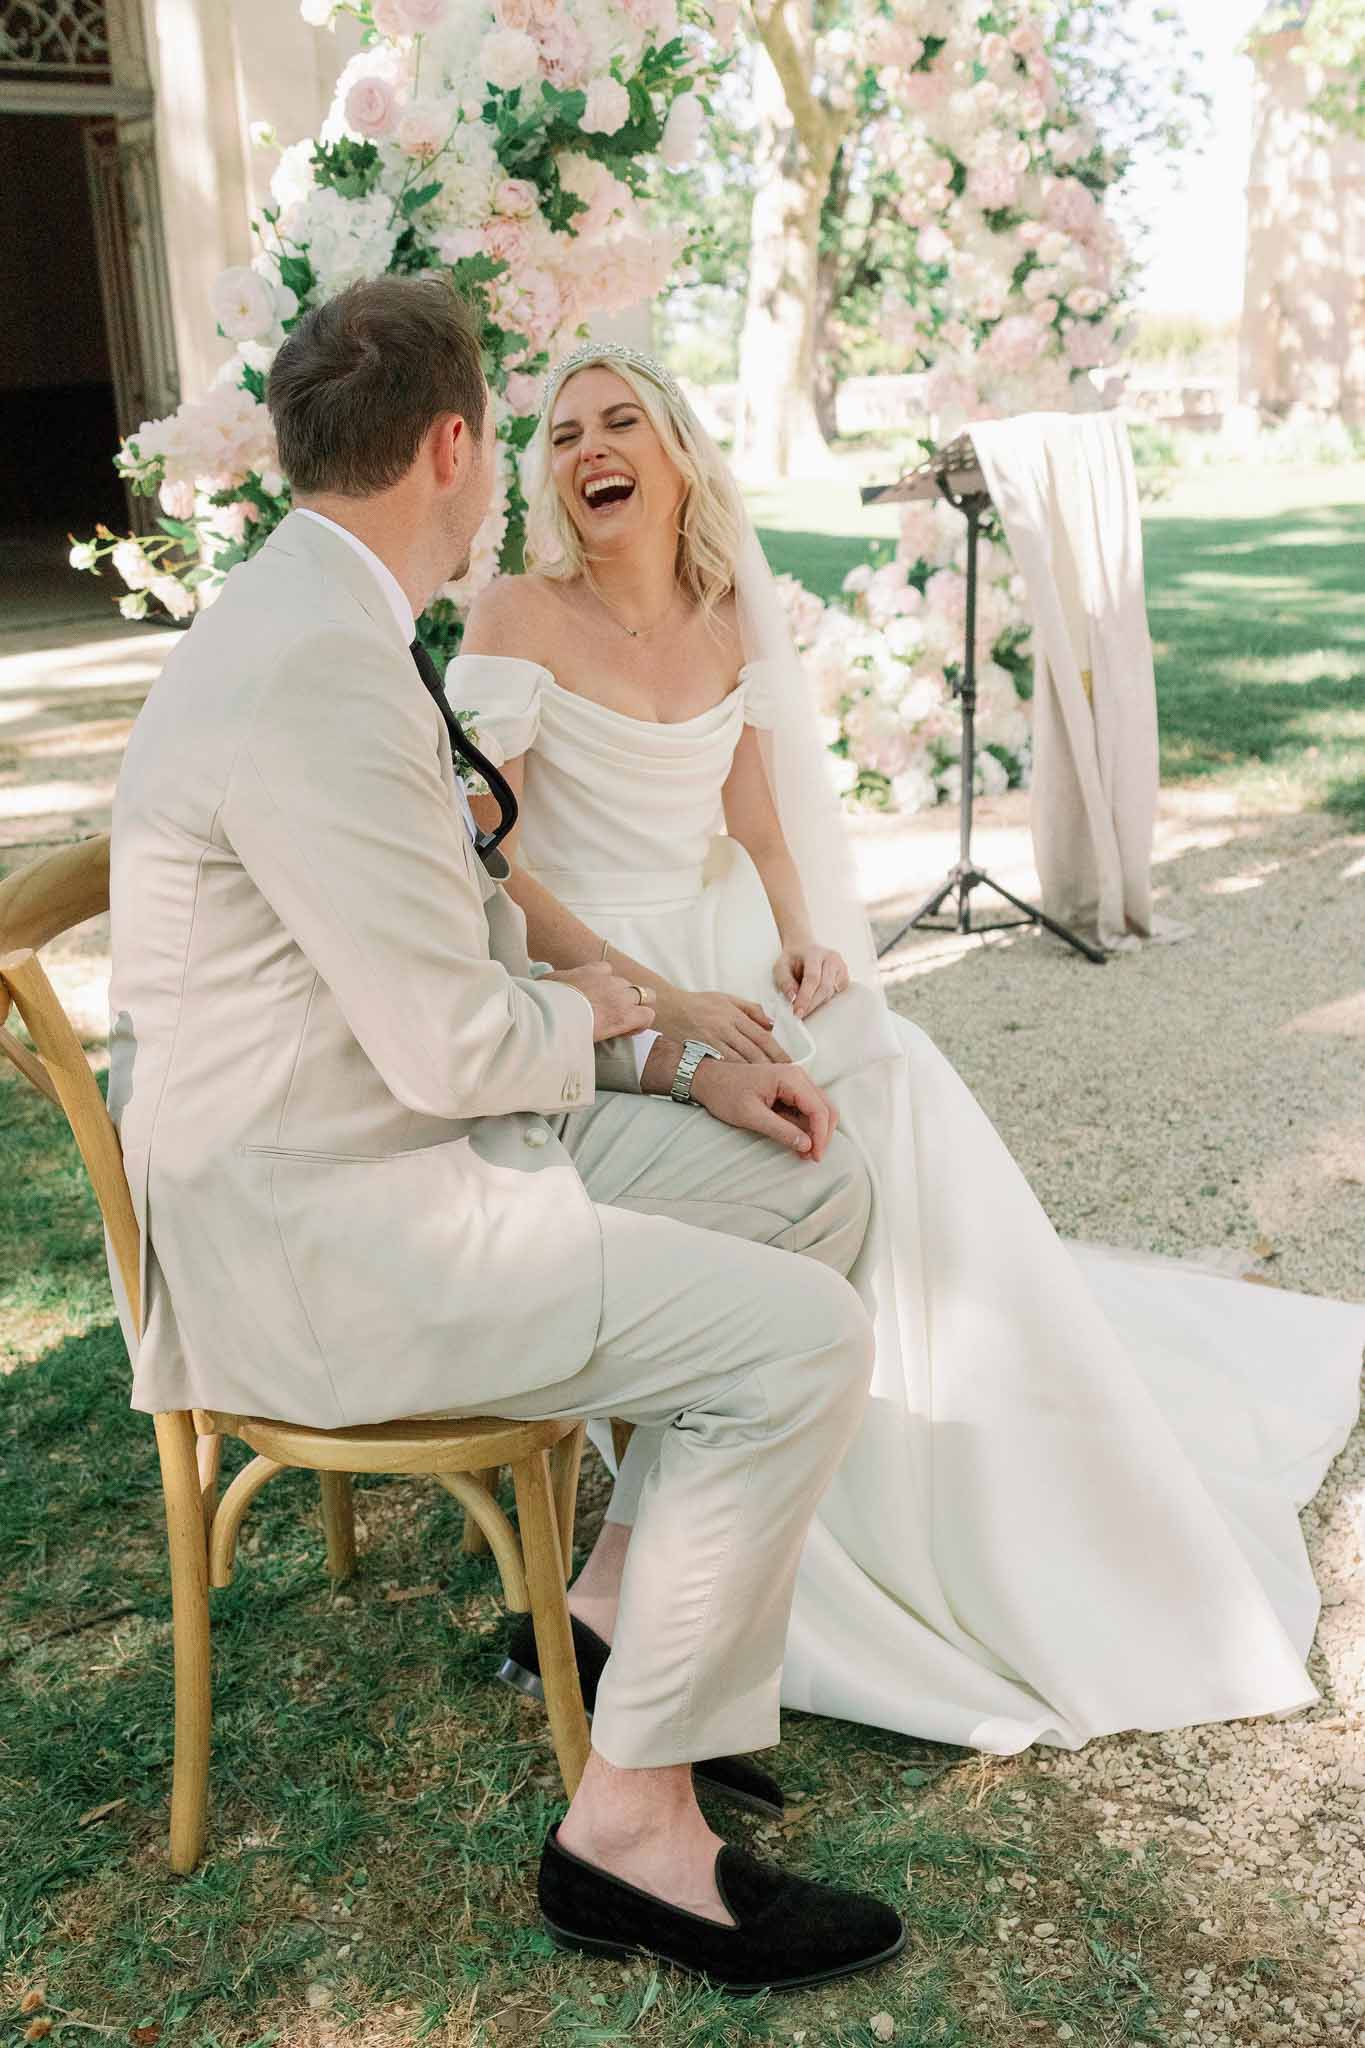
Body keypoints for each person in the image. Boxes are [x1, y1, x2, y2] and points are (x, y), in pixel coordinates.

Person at [105, 280, 907, 1992]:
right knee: (802, 1347)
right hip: (333, 1230)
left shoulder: (327, 617)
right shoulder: (314, 666)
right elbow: (458, 1033)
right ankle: (630, 1831)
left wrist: (688, 1071)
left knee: (816, 1175)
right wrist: (638, 1019)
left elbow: (449, 978)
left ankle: (614, 1621)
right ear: (461, 448)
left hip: (406, 1136)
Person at [455, 342, 1365, 1758]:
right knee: (821, 1144)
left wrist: (809, 942)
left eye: (619, 421)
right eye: (563, 433)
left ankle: (975, 1475)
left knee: (894, 1084)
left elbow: (755, 828)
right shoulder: (516, 614)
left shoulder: (720, 614)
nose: (588, 451)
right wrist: (649, 995)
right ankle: (695, 1538)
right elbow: (494, 859)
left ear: (677, 453)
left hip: (726, 950)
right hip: (603, 983)